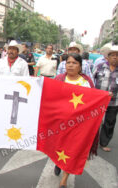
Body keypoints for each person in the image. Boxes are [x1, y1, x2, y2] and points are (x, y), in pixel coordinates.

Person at [54, 53, 96, 188]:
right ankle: (58, 163)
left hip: (78, 123)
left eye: (74, 63)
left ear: (80, 66)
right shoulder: (59, 79)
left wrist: (106, 96)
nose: (71, 65)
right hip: (60, 122)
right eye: (68, 63)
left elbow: (94, 98)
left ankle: (64, 180)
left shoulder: (86, 81)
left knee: (73, 150)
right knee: (59, 148)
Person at [93, 45, 118, 152]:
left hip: (114, 102)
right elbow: (91, 79)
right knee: (94, 122)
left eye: (117, 55)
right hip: (98, 101)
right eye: (112, 55)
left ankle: (103, 143)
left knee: (109, 123)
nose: (115, 57)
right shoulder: (100, 66)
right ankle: (91, 142)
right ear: (107, 57)